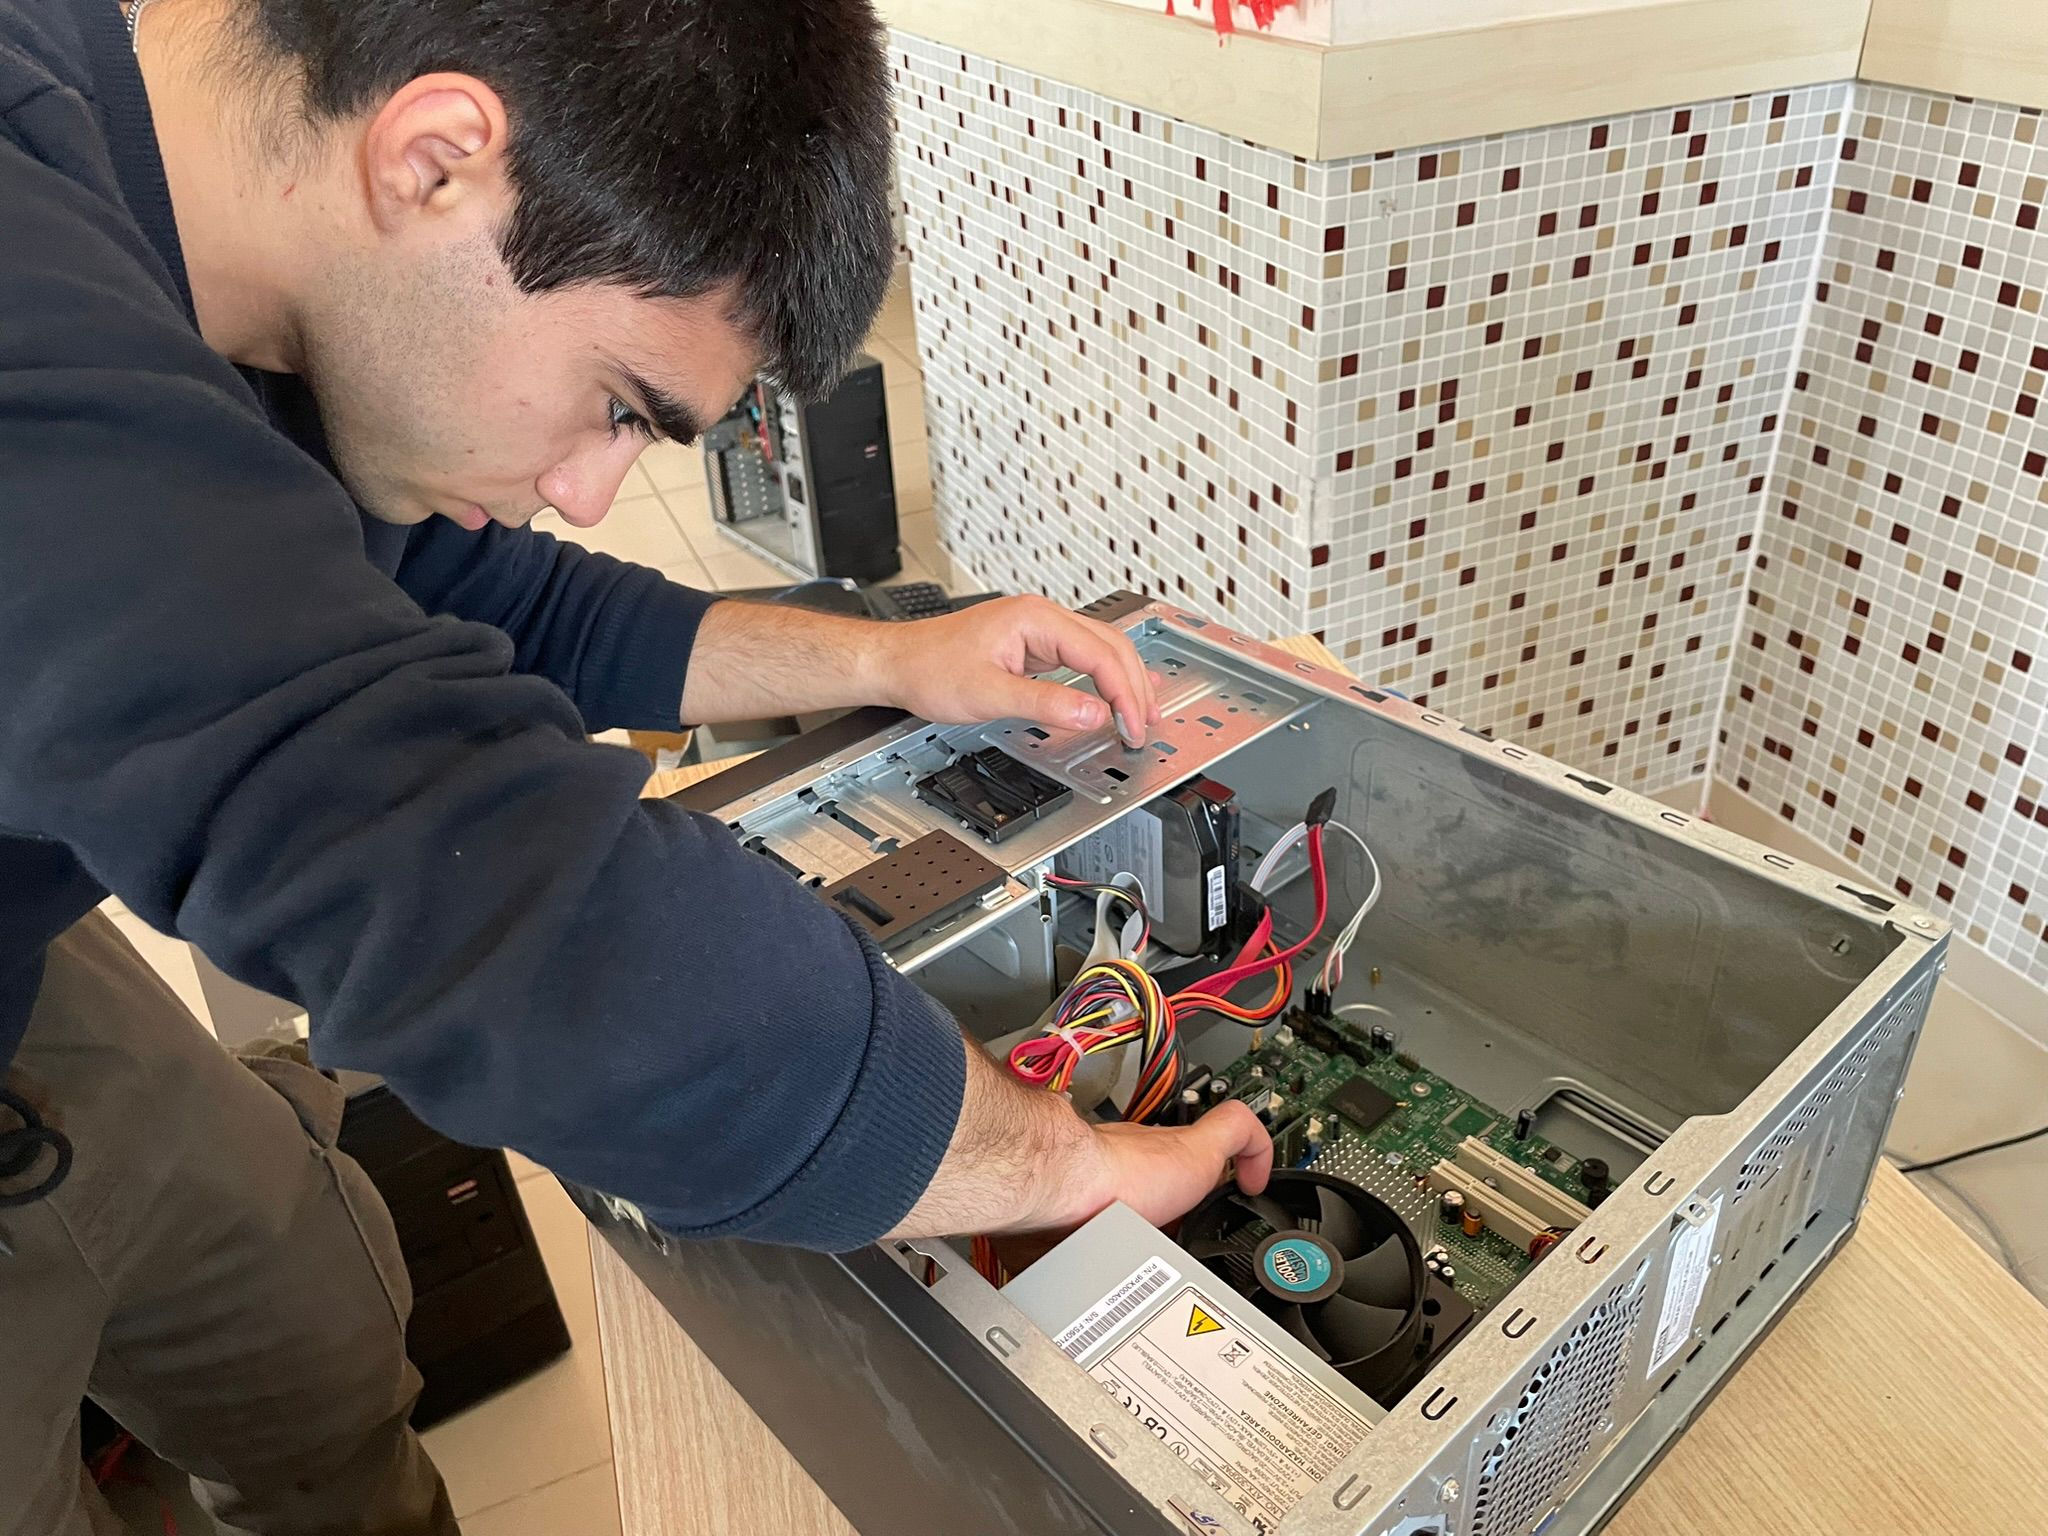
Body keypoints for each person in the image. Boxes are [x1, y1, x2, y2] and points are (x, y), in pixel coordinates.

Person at [0, 0, 1274, 1531]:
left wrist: (885, 657)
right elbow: (480, 889)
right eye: (618, 406)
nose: (593, 492)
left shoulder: (242, 277)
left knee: (304, 1314)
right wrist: (1062, 1166)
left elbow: (487, 591)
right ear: (435, 160)